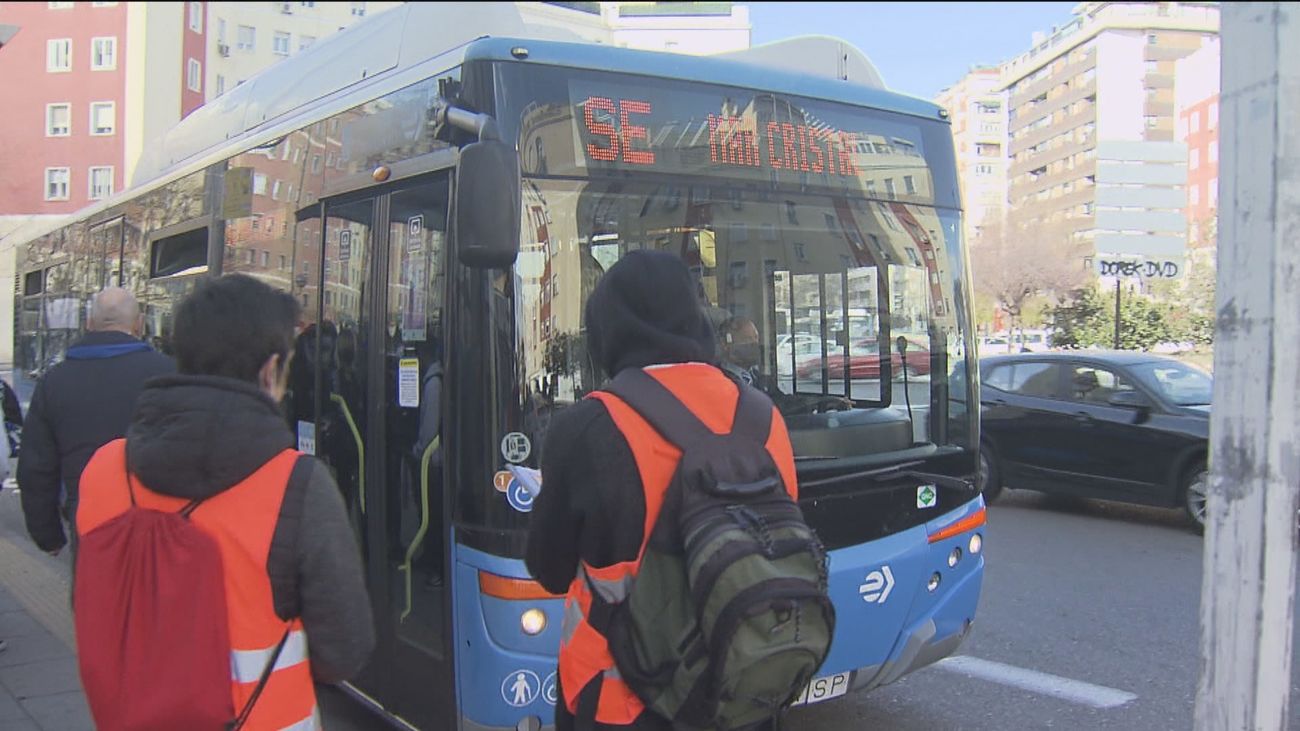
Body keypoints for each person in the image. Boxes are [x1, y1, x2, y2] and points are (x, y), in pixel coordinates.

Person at [75, 274, 374, 724]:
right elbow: (344, 652)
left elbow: (90, 605)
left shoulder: (103, 470)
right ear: (271, 371)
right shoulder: (298, 484)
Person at [525, 251, 797, 731]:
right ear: (696, 318)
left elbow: (548, 568)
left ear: (607, 329)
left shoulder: (587, 427)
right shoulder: (763, 416)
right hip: (740, 693)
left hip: (621, 703)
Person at [18, 287, 175, 558]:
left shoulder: (54, 381)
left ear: (89, 324)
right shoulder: (170, 373)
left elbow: (36, 466)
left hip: (89, 523)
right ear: (139, 325)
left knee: (95, 597)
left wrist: (48, 535)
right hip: (161, 523)